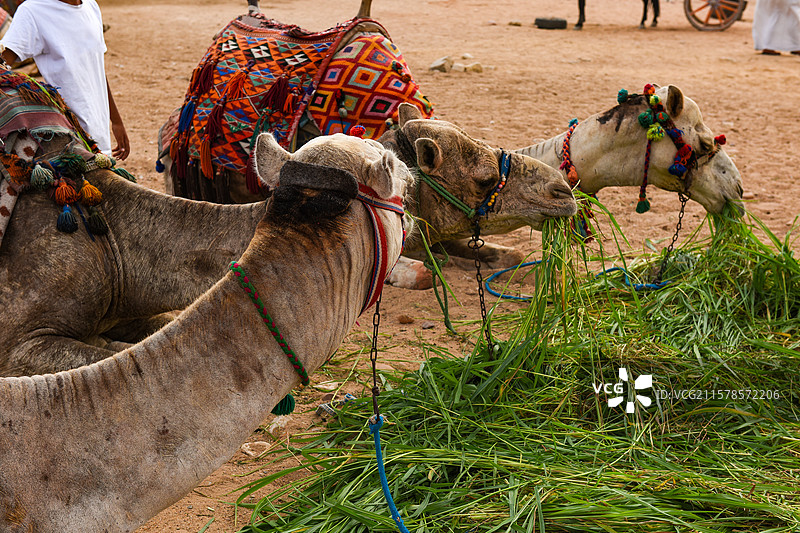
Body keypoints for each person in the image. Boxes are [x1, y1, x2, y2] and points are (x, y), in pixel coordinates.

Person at [0, 0, 130, 159]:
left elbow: (97, 68)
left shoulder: (91, 7)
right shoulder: (33, 11)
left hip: (98, 134)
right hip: (64, 140)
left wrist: (116, 121)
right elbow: (3, 64)